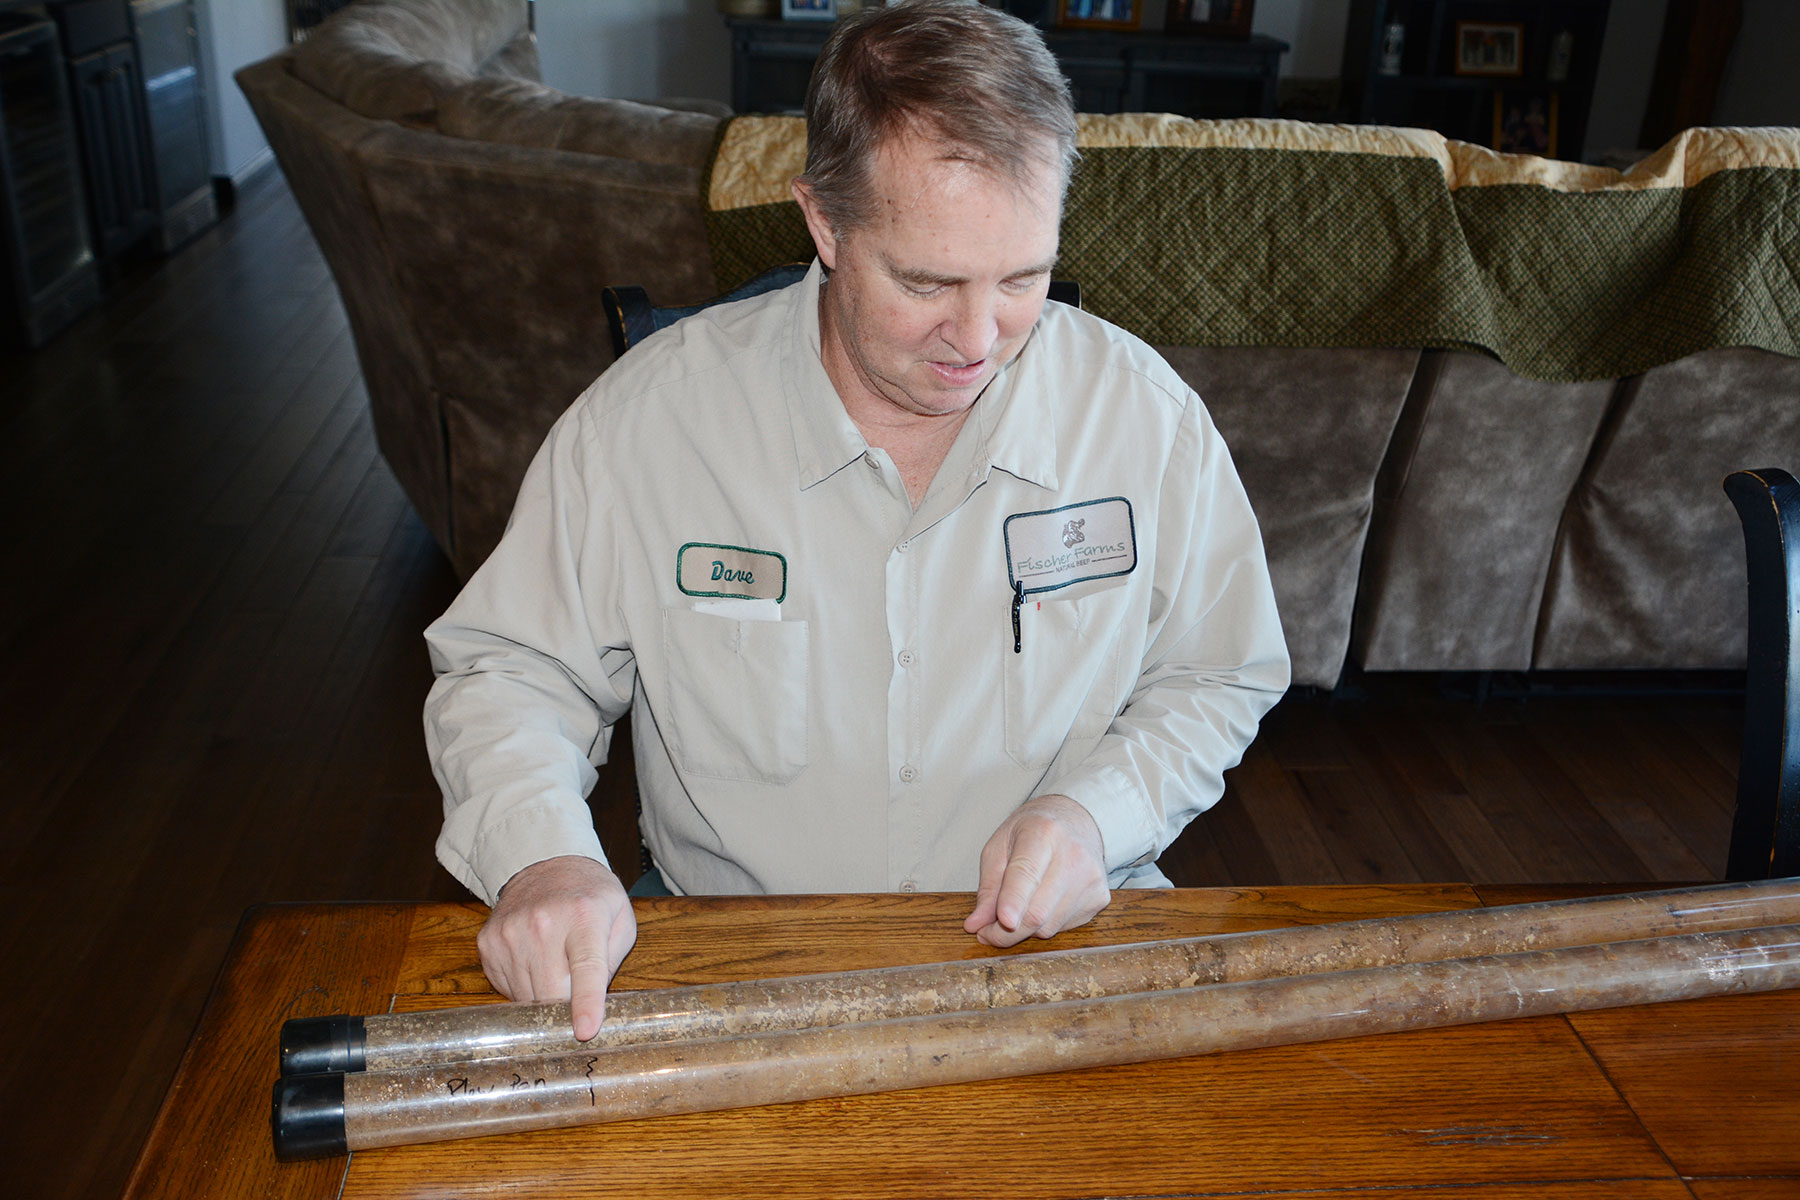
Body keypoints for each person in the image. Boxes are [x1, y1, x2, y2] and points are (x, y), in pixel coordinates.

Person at [423, 0, 1289, 1042]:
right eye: (927, 281)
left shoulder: (1142, 417)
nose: (978, 339)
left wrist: (1096, 818)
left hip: (1062, 964)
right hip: (740, 971)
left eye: (1022, 277)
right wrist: (545, 857)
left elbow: (1217, 670)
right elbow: (514, 669)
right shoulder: (649, 423)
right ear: (823, 223)